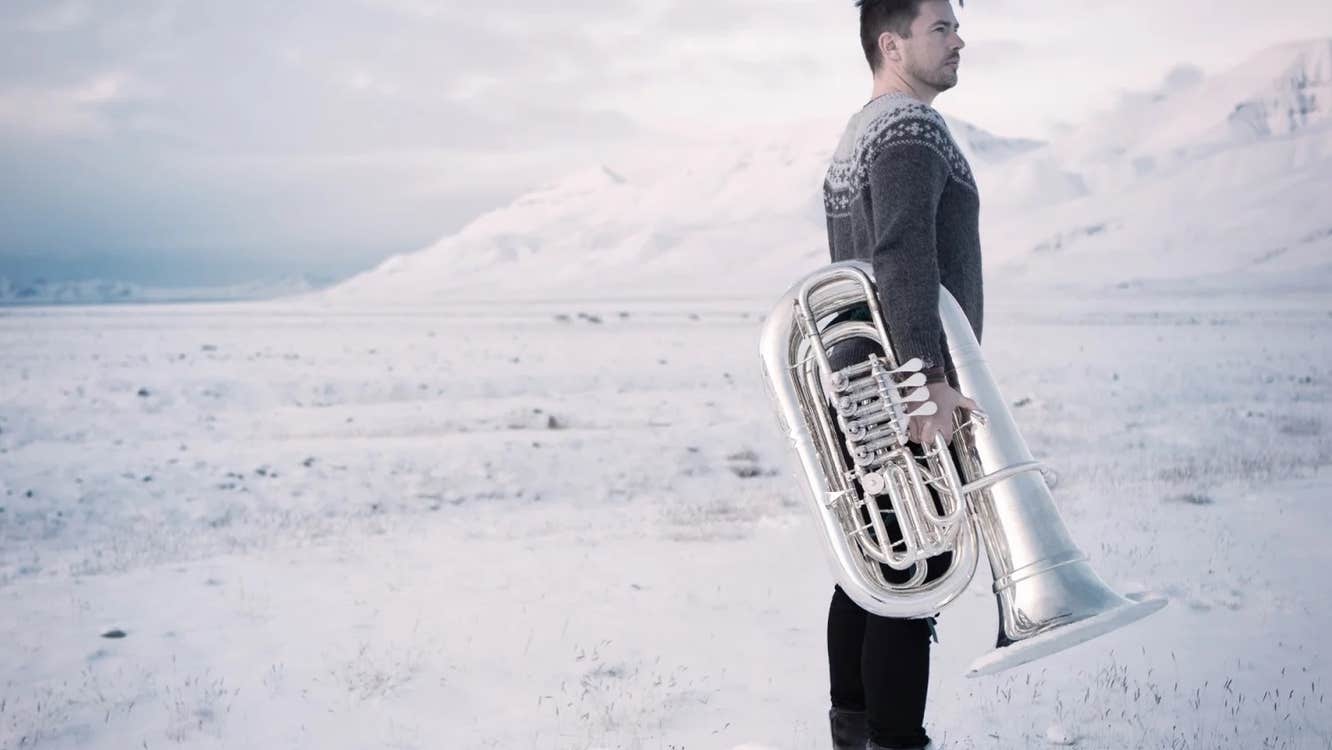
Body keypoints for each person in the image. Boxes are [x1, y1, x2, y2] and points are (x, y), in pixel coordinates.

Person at [820, 1, 982, 748]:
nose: (957, 40)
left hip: (863, 390)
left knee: (876, 568)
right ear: (892, 44)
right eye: (940, 28)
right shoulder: (910, 130)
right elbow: (904, 252)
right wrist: (930, 381)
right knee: (912, 578)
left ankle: (852, 732)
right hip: (903, 386)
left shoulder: (858, 133)